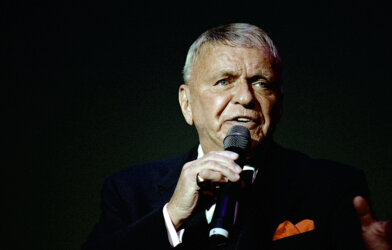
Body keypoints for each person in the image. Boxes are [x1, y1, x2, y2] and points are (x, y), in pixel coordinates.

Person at [83, 23, 391, 249]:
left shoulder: (334, 186)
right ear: (187, 103)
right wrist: (172, 215)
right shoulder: (129, 191)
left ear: (279, 104)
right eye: (223, 82)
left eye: (261, 83)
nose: (244, 97)